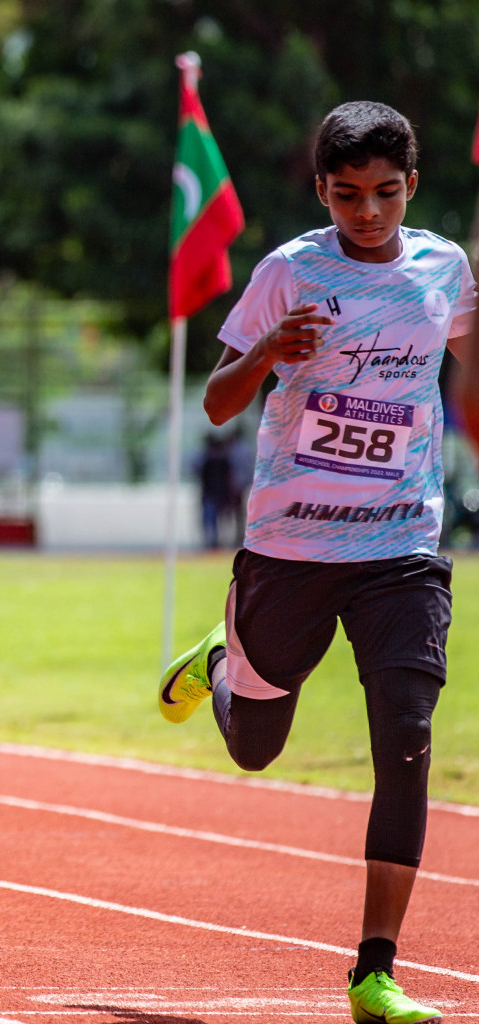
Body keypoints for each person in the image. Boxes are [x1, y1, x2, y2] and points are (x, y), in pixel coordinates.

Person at [160, 102, 473, 1024]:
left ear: (411, 186)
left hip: (403, 544)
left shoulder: (444, 269)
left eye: (384, 193)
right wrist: (266, 351)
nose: (366, 212)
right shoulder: (289, 271)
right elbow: (218, 403)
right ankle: (221, 660)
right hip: (291, 546)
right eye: (347, 195)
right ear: (321, 191)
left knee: (406, 745)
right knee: (256, 749)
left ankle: (375, 970)